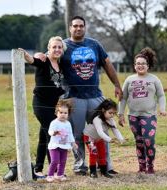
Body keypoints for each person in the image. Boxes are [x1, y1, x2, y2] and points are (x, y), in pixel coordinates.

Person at [34, 16, 123, 175]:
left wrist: (116, 84)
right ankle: (80, 166)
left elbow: (107, 64)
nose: (78, 28)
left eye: (81, 26)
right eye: (75, 26)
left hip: (95, 95)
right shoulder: (64, 46)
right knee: (76, 133)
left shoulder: (94, 44)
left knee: (101, 130)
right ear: (70, 28)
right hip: (73, 97)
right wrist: (39, 54)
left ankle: (106, 166)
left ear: (85, 27)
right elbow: (49, 57)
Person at [18, 36, 67, 178]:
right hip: (40, 104)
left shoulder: (61, 64)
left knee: (43, 137)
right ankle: (56, 171)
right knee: (51, 134)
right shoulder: (43, 62)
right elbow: (32, 60)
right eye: (54, 47)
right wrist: (26, 55)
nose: (57, 49)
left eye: (59, 47)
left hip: (54, 106)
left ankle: (38, 169)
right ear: (48, 49)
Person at [118, 47, 167, 174]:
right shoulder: (129, 80)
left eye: (143, 63)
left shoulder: (154, 79)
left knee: (148, 141)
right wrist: (120, 114)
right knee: (139, 142)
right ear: (134, 66)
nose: (140, 66)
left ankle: (150, 164)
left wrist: (162, 108)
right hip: (133, 116)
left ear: (148, 65)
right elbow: (123, 98)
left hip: (149, 116)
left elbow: (161, 95)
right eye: (138, 64)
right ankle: (142, 166)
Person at [83, 99, 125, 178]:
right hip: (89, 137)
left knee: (102, 153)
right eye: (110, 113)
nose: (112, 115)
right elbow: (100, 132)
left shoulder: (111, 120)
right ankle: (93, 172)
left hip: (99, 138)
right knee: (93, 153)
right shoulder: (97, 119)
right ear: (103, 110)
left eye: (114, 113)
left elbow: (115, 130)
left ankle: (104, 172)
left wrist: (121, 139)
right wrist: (110, 139)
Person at [46, 99, 78, 182]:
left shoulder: (68, 124)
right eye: (61, 112)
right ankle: (50, 175)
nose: (63, 115)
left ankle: (60, 175)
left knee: (63, 161)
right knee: (55, 161)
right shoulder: (54, 123)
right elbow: (50, 131)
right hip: (54, 146)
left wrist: (73, 143)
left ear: (68, 114)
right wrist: (54, 133)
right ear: (56, 113)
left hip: (64, 145)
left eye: (65, 113)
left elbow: (70, 134)